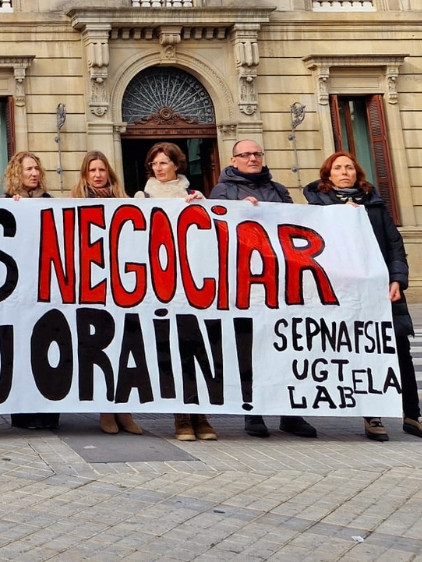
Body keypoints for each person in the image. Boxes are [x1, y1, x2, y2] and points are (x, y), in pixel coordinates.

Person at [304, 152, 422, 442]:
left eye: (349, 167)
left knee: (401, 353)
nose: (344, 172)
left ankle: (412, 415)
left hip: (383, 292)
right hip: (346, 295)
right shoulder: (317, 206)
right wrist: (343, 217)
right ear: (327, 175)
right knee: (362, 355)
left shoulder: (376, 205)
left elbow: (395, 246)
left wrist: (398, 279)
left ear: (358, 173)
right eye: (338, 168)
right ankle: (372, 415)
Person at [210, 140, 315, 439]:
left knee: (285, 347)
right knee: (250, 349)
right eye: (246, 155)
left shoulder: (279, 190)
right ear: (234, 159)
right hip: (246, 281)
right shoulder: (223, 191)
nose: (253, 158)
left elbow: (297, 225)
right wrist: (238, 212)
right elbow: (215, 227)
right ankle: (252, 412)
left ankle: (291, 413)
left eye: (257, 153)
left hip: (281, 280)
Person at [137, 143, 215, 443]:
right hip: (160, 286)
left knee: (196, 349)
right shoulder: (141, 198)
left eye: (164, 162)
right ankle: (181, 416)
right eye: (154, 163)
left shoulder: (194, 197)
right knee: (171, 352)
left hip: (192, 286)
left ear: (176, 165)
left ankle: (201, 414)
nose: (158, 168)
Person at [72, 151, 143, 437]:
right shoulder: (75, 201)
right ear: (85, 174)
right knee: (99, 347)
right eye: (93, 170)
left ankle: (123, 409)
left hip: (122, 284)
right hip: (92, 285)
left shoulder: (124, 200)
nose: (98, 174)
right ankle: (106, 409)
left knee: (124, 346)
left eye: (102, 169)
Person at [3, 152, 55, 431]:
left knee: (46, 351)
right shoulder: (4, 204)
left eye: (37, 168)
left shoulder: (50, 203)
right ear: (17, 173)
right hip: (17, 294)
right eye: (29, 169)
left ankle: (49, 413)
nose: (34, 173)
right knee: (21, 353)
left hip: (45, 292)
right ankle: (23, 414)